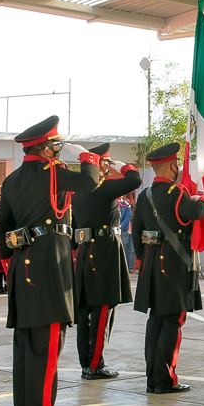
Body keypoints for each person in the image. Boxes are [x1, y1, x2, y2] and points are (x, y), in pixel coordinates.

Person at [0, 116, 99, 406]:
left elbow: (0, 231)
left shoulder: (11, 180)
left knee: (26, 352)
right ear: (47, 148)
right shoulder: (52, 173)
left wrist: (15, 262)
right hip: (49, 269)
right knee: (47, 352)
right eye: (56, 146)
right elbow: (91, 181)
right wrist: (86, 157)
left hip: (23, 269)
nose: (58, 151)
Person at [132, 143, 204, 393]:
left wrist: (145, 259)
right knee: (173, 322)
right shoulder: (177, 193)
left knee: (156, 322)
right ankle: (165, 379)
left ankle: (153, 379)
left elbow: (137, 233)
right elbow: (195, 211)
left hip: (152, 265)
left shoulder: (145, 195)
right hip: (173, 265)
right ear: (173, 165)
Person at [72, 143, 141, 381]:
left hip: (85, 252)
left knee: (85, 312)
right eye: (106, 162)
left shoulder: (78, 191)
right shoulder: (103, 187)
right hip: (103, 252)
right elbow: (134, 180)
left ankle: (87, 363)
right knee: (102, 309)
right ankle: (95, 364)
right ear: (99, 164)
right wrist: (123, 166)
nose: (108, 167)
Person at [118, 192, 135, 270]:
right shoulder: (113, 203)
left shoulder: (126, 205)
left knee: (126, 248)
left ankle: (128, 267)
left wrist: (120, 226)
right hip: (116, 229)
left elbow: (127, 217)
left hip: (124, 229)